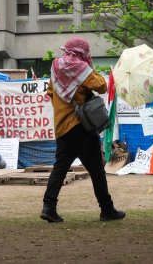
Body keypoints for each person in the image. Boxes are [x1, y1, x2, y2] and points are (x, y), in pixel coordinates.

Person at [40, 37, 125, 223]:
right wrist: (88, 68)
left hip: (62, 126)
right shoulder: (81, 67)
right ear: (83, 52)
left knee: (60, 168)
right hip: (81, 127)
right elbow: (102, 86)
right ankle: (107, 209)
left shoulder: (56, 66)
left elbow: (50, 93)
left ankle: (49, 207)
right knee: (96, 169)